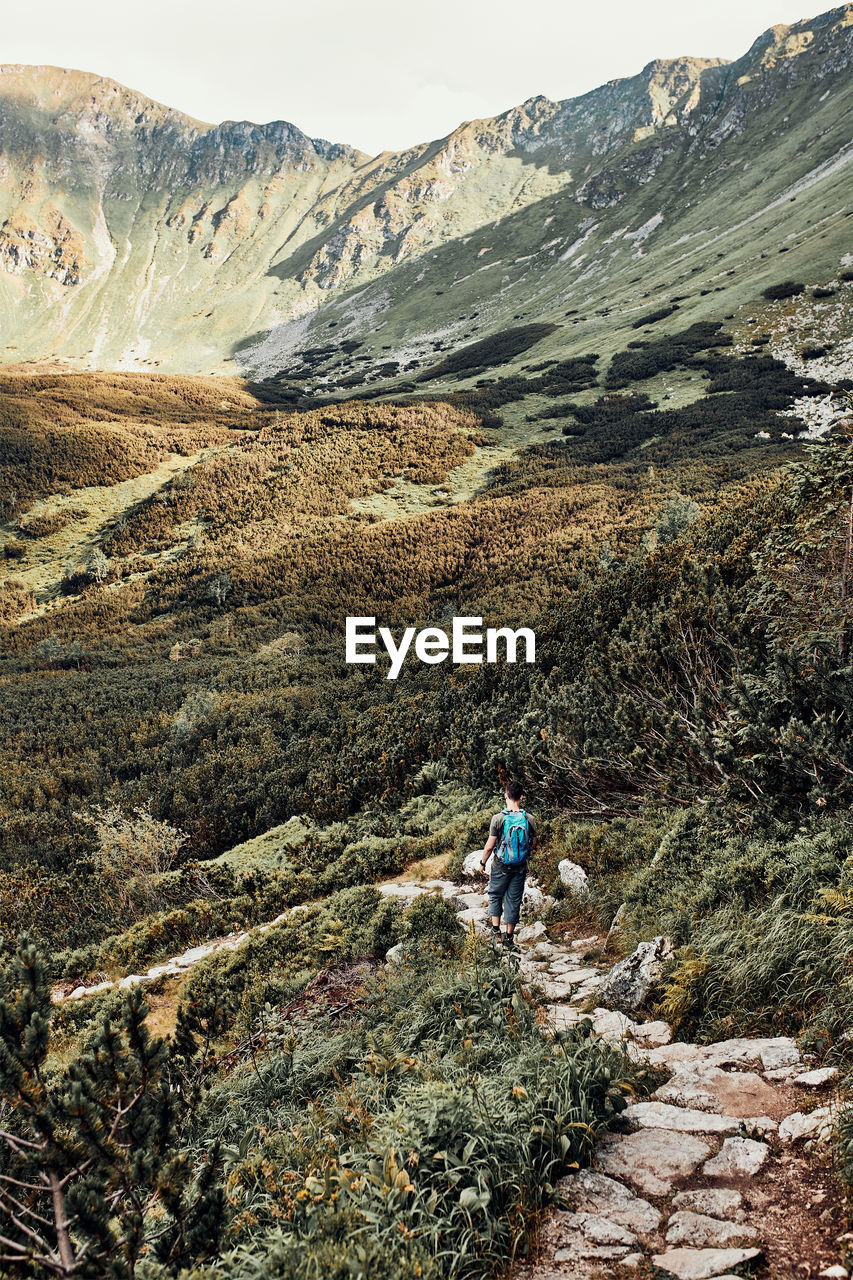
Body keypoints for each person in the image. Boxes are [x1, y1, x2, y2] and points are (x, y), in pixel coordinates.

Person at [479, 780, 537, 951]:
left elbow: (490, 846)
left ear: (506, 795)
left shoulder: (498, 819)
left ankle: (496, 933)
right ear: (521, 797)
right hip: (520, 866)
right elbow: (533, 843)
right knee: (514, 900)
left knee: (496, 895)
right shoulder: (529, 818)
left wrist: (482, 863)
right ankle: (509, 938)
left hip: (500, 866)